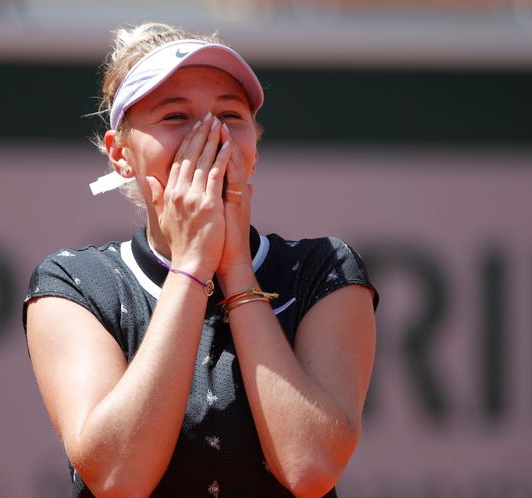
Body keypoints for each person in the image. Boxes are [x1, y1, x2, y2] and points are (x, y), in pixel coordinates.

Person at [23, 22, 378, 498]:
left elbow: (309, 466)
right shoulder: (75, 284)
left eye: (230, 116)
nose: (209, 135)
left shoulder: (326, 269)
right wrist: (191, 266)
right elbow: (117, 477)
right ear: (120, 156)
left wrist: (234, 268)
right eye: (175, 117)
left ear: (253, 147)